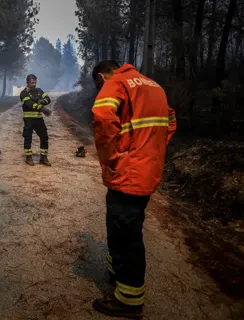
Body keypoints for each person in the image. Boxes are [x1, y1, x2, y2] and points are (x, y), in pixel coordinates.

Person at [90, 60, 177, 319]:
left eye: (97, 86)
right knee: (124, 223)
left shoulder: (116, 83)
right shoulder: (154, 86)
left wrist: (111, 158)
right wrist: (151, 150)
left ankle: (129, 302)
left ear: (101, 77)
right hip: (147, 171)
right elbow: (170, 121)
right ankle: (116, 272)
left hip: (128, 172)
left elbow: (103, 118)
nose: (99, 90)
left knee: (127, 234)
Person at [19, 74, 52, 166]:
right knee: (28, 138)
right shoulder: (24, 93)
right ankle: (28, 157)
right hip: (28, 119)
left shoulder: (39, 91)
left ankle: (43, 157)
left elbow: (48, 99)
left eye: (34, 80)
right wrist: (42, 108)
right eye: (31, 80)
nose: (33, 81)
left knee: (44, 137)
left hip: (39, 119)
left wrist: (42, 101)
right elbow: (29, 104)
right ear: (27, 82)